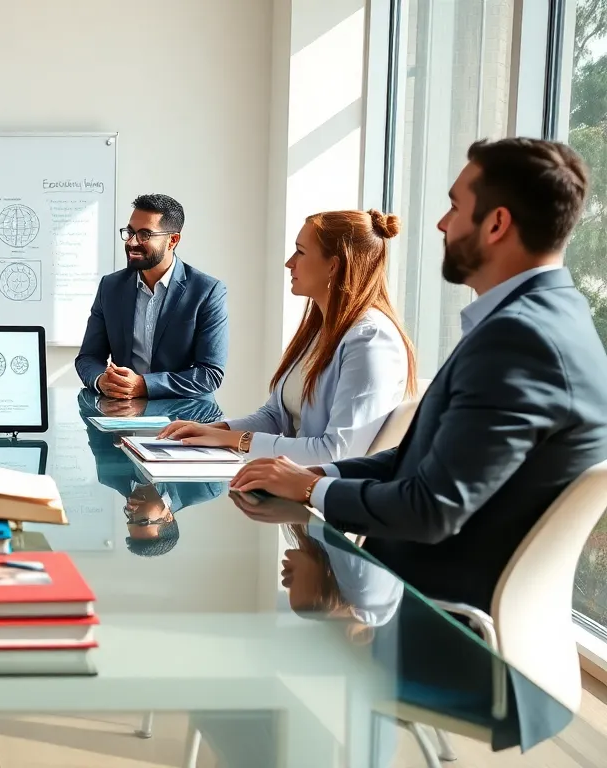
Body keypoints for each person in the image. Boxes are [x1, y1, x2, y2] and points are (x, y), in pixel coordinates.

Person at [232, 137, 607, 615]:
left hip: (438, 632)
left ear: (496, 224)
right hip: (411, 608)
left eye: (454, 207)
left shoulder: (519, 340)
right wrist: (313, 475)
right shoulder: (536, 321)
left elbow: (432, 508)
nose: (441, 224)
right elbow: (417, 459)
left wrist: (309, 489)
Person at [159, 210, 417, 462]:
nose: (289, 262)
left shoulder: (371, 340)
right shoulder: (320, 331)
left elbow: (337, 453)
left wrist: (238, 440)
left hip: (321, 497)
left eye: (300, 252)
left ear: (333, 266)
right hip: (289, 480)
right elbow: (274, 416)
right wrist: (216, 430)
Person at [75, 194, 229, 399]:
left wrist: (143, 385)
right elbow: (88, 357)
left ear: (172, 240)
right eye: (130, 232)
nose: (132, 242)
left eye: (145, 234)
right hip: (121, 410)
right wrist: (101, 380)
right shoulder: (110, 287)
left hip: (184, 413)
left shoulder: (207, 291)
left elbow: (209, 374)